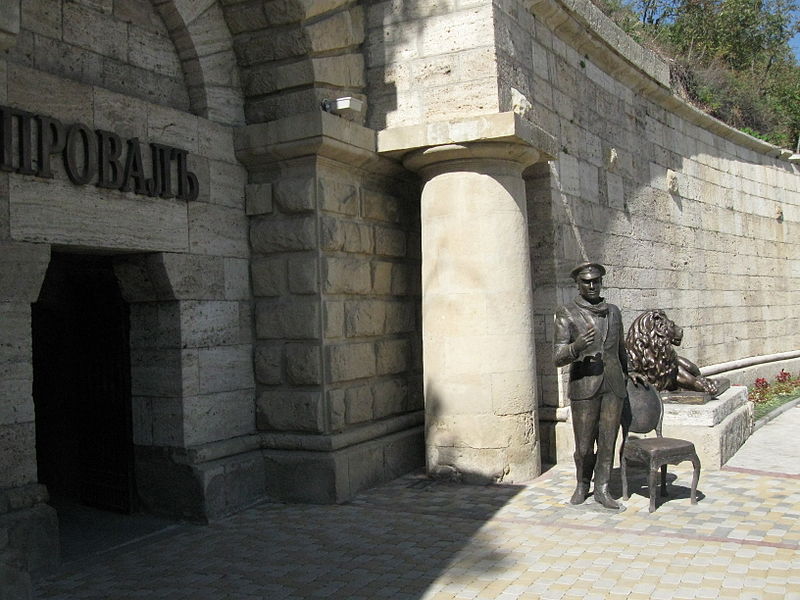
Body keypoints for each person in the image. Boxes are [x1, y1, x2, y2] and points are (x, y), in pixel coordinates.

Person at [553, 262, 630, 509]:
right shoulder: (567, 313)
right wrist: (576, 347)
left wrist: (629, 376)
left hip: (613, 385)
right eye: (586, 282)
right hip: (584, 385)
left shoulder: (614, 312)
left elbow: (621, 350)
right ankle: (582, 483)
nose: (592, 285)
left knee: (608, 440)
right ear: (578, 284)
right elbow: (557, 357)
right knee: (584, 446)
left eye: (596, 281)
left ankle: (603, 488)